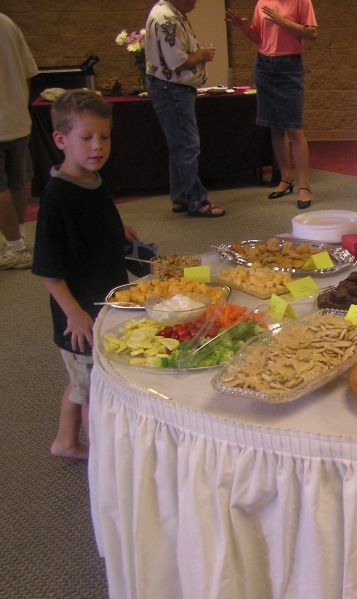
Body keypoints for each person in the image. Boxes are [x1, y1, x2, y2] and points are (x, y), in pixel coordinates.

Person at [32, 90, 140, 459]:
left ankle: (66, 441)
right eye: (87, 138)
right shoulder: (58, 198)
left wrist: (117, 226)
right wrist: (73, 312)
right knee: (94, 386)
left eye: (104, 137)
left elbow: (97, 211)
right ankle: (102, 456)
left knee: (80, 382)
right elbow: (48, 268)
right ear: (61, 140)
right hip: (78, 312)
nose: (98, 146)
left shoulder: (91, 177)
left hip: (101, 297)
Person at [225, 0, 318, 210]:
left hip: (289, 66)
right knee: (274, 126)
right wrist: (241, 26)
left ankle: (304, 185)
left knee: (293, 127)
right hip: (264, 66)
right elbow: (258, 38)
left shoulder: (302, 1)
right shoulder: (262, 2)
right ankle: (286, 178)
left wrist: (281, 20)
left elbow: (311, 34)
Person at [144, 0, 226, 217]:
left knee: (178, 145)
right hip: (172, 89)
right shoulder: (167, 18)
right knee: (188, 146)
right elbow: (177, 61)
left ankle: (181, 195)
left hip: (169, 87)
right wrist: (202, 55)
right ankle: (196, 200)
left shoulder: (170, 11)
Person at [0, 13, 38, 270]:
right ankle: (19, 236)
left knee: (2, 187)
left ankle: (14, 246)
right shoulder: (7, 22)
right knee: (17, 181)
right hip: (17, 117)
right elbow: (28, 71)